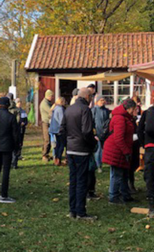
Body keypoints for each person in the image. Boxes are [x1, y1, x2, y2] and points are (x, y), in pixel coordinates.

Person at [59, 88, 97, 220]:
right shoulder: (85, 109)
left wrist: (66, 145)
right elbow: (87, 131)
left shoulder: (69, 109)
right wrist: (93, 144)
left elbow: (62, 129)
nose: (92, 99)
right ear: (87, 97)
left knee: (73, 180)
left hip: (71, 148)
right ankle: (80, 212)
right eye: (91, 96)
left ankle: (72, 210)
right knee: (81, 181)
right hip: (82, 149)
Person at [103, 98, 138, 204]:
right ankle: (113, 196)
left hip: (121, 149)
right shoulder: (120, 119)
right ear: (130, 108)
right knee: (117, 174)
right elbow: (119, 138)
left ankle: (125, 194)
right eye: (134, 109)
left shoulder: (125, 117)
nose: (135, 111)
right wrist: (126, 151)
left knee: (124, 173)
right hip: (117, 149)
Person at [92, 95, 111, 173]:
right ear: (97, 101)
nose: (102, 102)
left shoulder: (106, 111)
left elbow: (107, 122)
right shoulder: (94, 110)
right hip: (97, 133)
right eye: (101, 100)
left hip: (105, 133)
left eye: (103, 100)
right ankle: (98, 165)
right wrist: (94, 133)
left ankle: (101, 163)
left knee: (103, 150)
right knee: (98, 150)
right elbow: (92, 122)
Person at [50, 97, 68, 166]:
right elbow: (62, 120)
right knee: (61, 145)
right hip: (60, 130)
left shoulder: (55, 108)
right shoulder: (60, 109)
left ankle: (56, 159)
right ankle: (58, 159)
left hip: (55, 129)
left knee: (58, 144)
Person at [40, 90, 54, 162]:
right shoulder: (44, 103)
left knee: (49, 139)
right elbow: (50, 110)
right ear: (48, 96)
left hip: (49, 122)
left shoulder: (48, 102)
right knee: (47, 139)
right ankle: (44, 155)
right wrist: (55, 105)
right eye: (51, 96)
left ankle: (47, 154)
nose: (52, 97)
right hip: (45, 123)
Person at [14, 98, 28, 164]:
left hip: (22, 129)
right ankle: (16, 154)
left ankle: (19, 154)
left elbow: (26, 120)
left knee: (21, 142)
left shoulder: (23, 111)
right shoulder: (14, 111)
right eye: (18, 102)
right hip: (17, 129)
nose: (19, 103)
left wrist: (24, 123)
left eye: (20, 102)